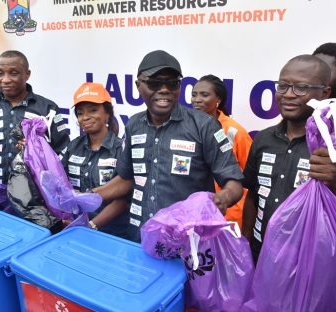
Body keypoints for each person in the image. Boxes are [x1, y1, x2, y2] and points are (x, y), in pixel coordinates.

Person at [94, 50, 244, 242]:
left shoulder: (203, 125)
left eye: (172, 83)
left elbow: (234, 182)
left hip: (187, 243)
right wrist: (89, 196)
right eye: (155, 83)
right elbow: (126, 179)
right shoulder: (133, 125)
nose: (164, 89)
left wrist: (225, 196)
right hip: (139, 237)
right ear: (139, 85)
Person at [242, 55, 336, 261]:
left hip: (314, 268)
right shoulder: (264, 139)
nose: (288, 95)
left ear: (325, 93)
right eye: (283, 86)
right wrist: (245, 243)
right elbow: (252, 194)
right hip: (261, 259)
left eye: (301, 87)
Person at [0, 50, 70, 185]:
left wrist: (37, 150)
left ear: (27, 74)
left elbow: (63, 151)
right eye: (0, 73)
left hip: (32, 194)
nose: (5, 80)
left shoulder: (47, 108)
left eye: (13, 73)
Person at [61, 82, 129, 238]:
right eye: (80, 113)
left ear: (107, 113)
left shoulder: (121, 149)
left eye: (93, 110)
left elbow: (123, 200)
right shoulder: (73, 146)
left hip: (112, 235)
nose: (85, 117)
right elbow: (60, 184)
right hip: (74, 230)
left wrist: (91, 225)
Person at [191, 75, 252, 229]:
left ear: (218, 99)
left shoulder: (235, 131)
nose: (197, 99)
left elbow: (249, 176)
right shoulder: (187, 126)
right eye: (194, 94)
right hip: (196, 213)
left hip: (229, 213)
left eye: (204, 95)